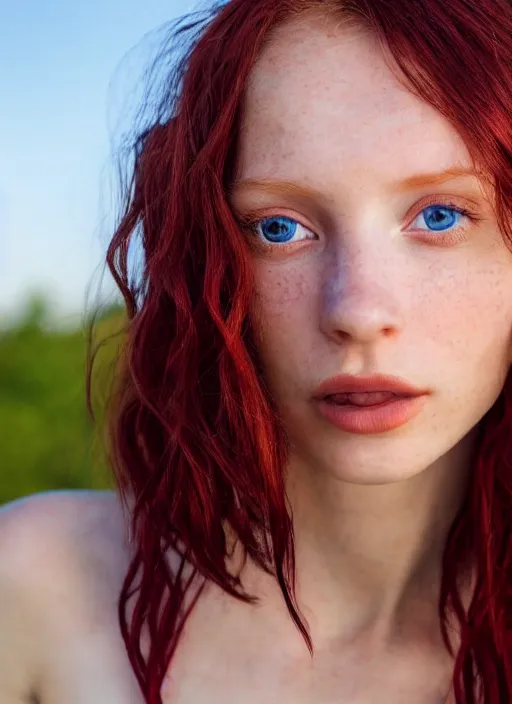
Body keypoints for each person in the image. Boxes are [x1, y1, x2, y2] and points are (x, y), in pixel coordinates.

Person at [1, 0, 512, 701]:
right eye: (279, 228)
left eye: (440, 216)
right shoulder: (39, 588)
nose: (357, 310)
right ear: (206, 256)